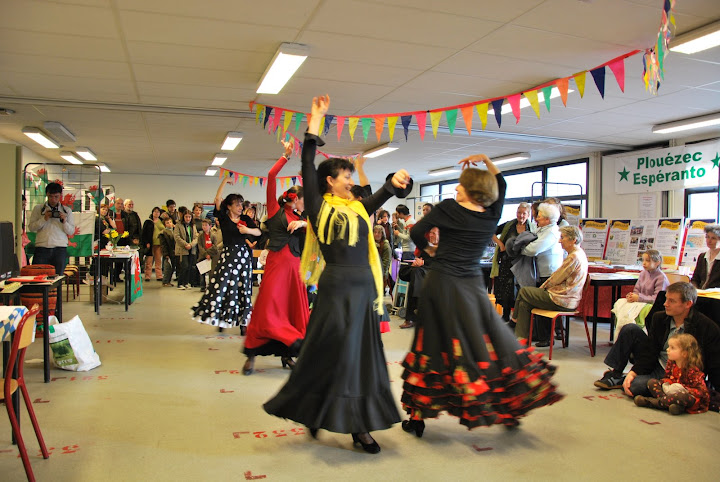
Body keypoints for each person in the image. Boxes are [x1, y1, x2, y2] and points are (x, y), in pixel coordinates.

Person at [264, 94, 412, 455]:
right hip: (335, 290)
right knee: (331, 354)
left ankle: (356, 423)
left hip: (364, 291)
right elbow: (307, 160)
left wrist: (397, 181)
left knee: (362, 358)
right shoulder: (317, 206)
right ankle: (335, 417)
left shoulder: (360, 208)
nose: (351, 180)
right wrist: (316, 120)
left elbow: (387, 192)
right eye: (345, 175)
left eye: (350, 175)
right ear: (329, 181)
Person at [400, 154, 562, 439]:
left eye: (460, 185)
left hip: (442, 284)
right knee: (489, 342)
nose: (456, 189)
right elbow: (503, 185)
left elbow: (418, 232)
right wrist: (487, 161)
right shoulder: (492, 214)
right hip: (472, 286)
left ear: (471, 189)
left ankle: (418, 416)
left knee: (431, 345)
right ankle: (508, 406)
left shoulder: (449, 208)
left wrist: (430, 251)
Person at [243, 140, 309, 375]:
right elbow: (271, 177)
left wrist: (304, 222)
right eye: (303, 199)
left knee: (291, 311)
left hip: (295, 267)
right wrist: (285, 156)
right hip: (277, 265)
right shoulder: (274, 209)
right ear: (294, 198)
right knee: (267, 307)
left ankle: (287, 355)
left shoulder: (301, 215)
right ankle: (251, 354)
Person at [594, 282, 720, 397]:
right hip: (657, 362)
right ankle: (616, 374)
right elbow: (650, 350)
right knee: (630, 329)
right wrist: (634, 372)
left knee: (636, 386)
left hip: (680, 373)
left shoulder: (706, 327)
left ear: (688, 304)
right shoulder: (659, 318)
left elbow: (712, 362)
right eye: (666, 299)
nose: (665, 304)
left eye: (671, 301)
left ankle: (624, 380)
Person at [192, 179, 260, 333]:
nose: (240, 207)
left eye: (241, 204)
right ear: (229, 206)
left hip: (243, 257)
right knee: (225, 288)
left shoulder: (246, 219)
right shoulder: (223, 218)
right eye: (237, 204)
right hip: (228, 256)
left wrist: (247, 231)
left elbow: (258, 232)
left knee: (244, 289)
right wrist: (224, 182)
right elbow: (217, 200)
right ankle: (222, 319)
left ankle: (244, 323)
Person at [511, 225, 589, 346]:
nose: (559, 241)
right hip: (567, 298)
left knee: (524, 291)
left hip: (562, 299)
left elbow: (555, 278)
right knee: (524, 302)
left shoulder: (574, 257)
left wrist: (542, 288)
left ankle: (514, 323)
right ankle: (521, 339)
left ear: (573, 240)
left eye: (562, 237)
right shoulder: (580, 254)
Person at [518, 202, 563, 343]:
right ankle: (538, 333)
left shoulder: (551, 232)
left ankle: (546, 337)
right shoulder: (543, 230)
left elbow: (533, 249)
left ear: (548, 219)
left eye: (539, 216)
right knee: (537, 304)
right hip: (542, 272)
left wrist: (520, 249)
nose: (536, 218)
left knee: (544, 306)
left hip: (550, 273)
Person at [634, 333, 710, 415]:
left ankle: (651, 402)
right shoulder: (671, 364)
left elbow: (701, 391)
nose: (667, 349)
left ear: (684, 353)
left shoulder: (693, 370)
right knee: (652, 382)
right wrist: (667, 383)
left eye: (672, 348)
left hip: (688, 398)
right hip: (671, 392)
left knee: (681, 396)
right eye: (669, 347)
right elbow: (667, 377)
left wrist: (684, 389)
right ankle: (674, 405)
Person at [491, 202, 535, 322]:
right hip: (506, 262)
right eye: (519, 213)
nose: (521, 216)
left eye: (524, 213)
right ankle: (505, 315)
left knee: (519, 288)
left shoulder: (532, 228)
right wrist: (500, 244)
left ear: (528, 214)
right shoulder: (509, 225)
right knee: (506, 288)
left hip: (523, 262)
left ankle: (517, 318)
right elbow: (492, 231)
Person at [611, 249, 669, 331]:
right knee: (620, 302)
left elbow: (657, 299)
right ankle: (623, 331)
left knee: (646, 309)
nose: (644, 263)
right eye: (643, 260)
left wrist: (638, 298)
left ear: (657, 262)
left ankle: (636, 330)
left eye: (648, 261)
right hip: (640, 301)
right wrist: (631, 296)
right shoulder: (643, 273)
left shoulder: (661, 277)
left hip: (653, 304)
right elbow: (637, 289)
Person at [28, 181, 75, 275]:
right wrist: (44, 219)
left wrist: (64, 221)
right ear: (47, 195)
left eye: (56, 197)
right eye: (51, 196)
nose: (53, 200)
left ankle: (57, 290)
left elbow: (71, 231)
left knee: (57, 278)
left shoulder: (66, 210)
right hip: (42, 248)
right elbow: (31, 228)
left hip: (60, 248)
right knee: (38, 278)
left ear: (60, 196)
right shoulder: (38, 209)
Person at [398, 227, 439, 329]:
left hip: (434, 274)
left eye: (433, 233)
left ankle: (410, 317)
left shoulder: (443, 249)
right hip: (422, 272)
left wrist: (423, 263)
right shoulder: (428, 248)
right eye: (430, 233)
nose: (430, 235)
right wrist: (417, 262)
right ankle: (416, 307)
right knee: (408, 271)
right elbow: (421, 259)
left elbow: (440, 263)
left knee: (415, 275)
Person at [173, 209, 198, 290]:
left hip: (191, 248)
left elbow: (196, 237)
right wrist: (185, 244)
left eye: (189, 217)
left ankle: (186, 282)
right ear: (183, 217)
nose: (188, 218)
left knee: (190, 266)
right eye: (186, 217)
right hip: (182, 249)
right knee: (184, 266)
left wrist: (191, 244)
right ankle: (180, 283)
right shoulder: (178, 225)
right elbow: (177, 237)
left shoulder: (193, 225)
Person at [690, 224, 720, 289]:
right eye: (707, 237)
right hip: (701, 293)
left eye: (713, 238)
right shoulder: (702, 256)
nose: (709, 241)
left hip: (715, 295)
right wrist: (695, 290)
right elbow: (695, 279)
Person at [197, 217, 223, 288]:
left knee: (211, 271)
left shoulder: (213, 236)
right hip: (203, 255)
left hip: (212, 255)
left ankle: (211, 285)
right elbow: (200, 246)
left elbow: (214, 246)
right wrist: (205, 254)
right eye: (203, 225)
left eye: (206, 225)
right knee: (202, 271)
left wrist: (209, 253)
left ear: (210, 226)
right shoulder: (200, 236)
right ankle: (202, 285)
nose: (204, 227)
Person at [142, 207, 164, 281]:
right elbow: (144, 233)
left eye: (158, 212)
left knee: (158, 260)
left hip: (159, 243)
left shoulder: (161, 221)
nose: (156, 213)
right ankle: (147, 276)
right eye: (155, 212)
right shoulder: (148, 222)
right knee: (149, 261)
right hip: (150, 244)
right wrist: (146, 242)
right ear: (152, 213)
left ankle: (159, 275)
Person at [158, 217, 176, 287]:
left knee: (172, 268)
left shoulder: (174, 231)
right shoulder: (163, 233)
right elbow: (163, 245)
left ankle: (168, 281)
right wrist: (166, 254)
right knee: (167, 267)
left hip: (174, 252)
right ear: (165, 225)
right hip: (168, 252)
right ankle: (165, 281)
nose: (169, 224)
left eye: (170, 222)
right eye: (167, 223)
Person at [374, 225, 391, 293]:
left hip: (381, 273)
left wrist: (380, 273)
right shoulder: (371, 243)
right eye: (375, 232)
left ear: (382, 234)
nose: (376, 234)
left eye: (379, 232)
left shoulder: (385, 245)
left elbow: (386, 262)